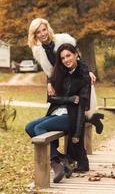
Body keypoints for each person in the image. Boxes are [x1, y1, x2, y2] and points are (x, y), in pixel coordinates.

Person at [25, 43, 91, 183]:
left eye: (68, 55)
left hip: (70, 117)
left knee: (39, 128)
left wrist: (77, 133)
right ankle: (62, 159)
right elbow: (50, 98)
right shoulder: (60, 73)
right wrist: (69, 99)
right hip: (56, 113)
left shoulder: (84, 77)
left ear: (76, 55)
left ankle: (56, 165)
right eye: (62, 58)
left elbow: (82, 107)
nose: (66, 60)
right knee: (29, 127)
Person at [27, 17, 104, 133]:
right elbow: (49, 71)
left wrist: (87, 71)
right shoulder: (38, 51)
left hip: (75, 78)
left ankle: (93, 118)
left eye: (44, 30)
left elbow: (77, 58)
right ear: (34, 35)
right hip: (61, 81)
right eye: (38, 32)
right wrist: (49, 83)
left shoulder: (62, 40)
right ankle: (93, 119)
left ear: (48, 29)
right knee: (60, 108)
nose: (42, 34)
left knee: (81, 108)